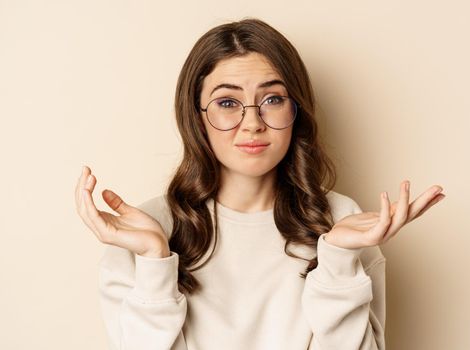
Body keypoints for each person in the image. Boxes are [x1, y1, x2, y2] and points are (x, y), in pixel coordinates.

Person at [74, 17, 445, 350]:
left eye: (272, 99)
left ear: (296, 109)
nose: (252, 123)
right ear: (196, 117)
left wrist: (339, 258)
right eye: (227, 102)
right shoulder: (145, 231)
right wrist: (155, 261)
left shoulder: (344, 221)